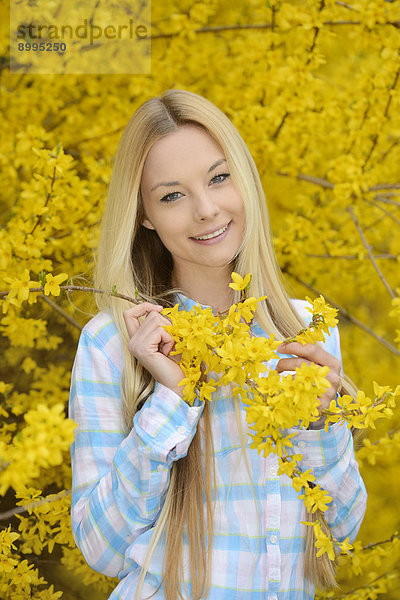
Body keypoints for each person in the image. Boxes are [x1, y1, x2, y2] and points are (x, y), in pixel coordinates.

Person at [69, 89, 367, 600]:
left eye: (218, 178)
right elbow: (103, 548)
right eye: (171, 195)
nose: (206, 210)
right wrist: (173, 400)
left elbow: (338, 534)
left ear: (243, 179)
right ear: (143, 214)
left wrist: (320, 424)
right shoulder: (113, 343)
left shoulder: (306, 330)